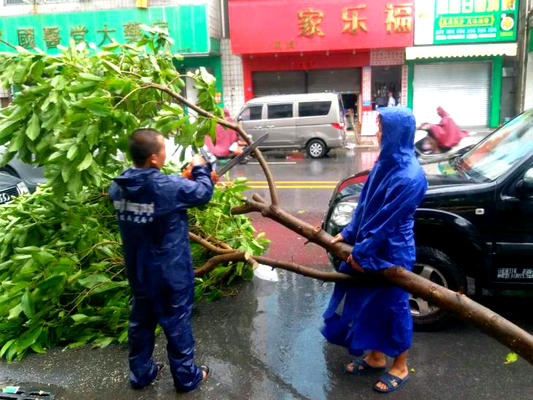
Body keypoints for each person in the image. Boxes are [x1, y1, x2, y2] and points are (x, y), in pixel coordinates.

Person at [322, 107, 427, 393]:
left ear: (397, 132)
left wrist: (361, 253)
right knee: (366, 303)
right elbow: (365, 203)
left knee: (394, 309)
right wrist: (347, 232)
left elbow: (386, 223)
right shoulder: (385, 162)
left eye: (382, 128)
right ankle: (376, 357)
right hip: (369, 245)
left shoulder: (411, 176)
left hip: (393, 254)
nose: (378, 133)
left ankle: (400, 366)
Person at [109, 128, 213, 392]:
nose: (166, 152)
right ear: (154, 158)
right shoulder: (168, 187)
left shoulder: (118, 186)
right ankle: (186, 378)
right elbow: (202, 193)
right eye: (163, 148)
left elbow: (154, 194)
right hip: (170, 272)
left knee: (141, 323)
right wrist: (200, 169)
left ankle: (141, 374)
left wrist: (179, 180)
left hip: (139, 270)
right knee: (177, 323)